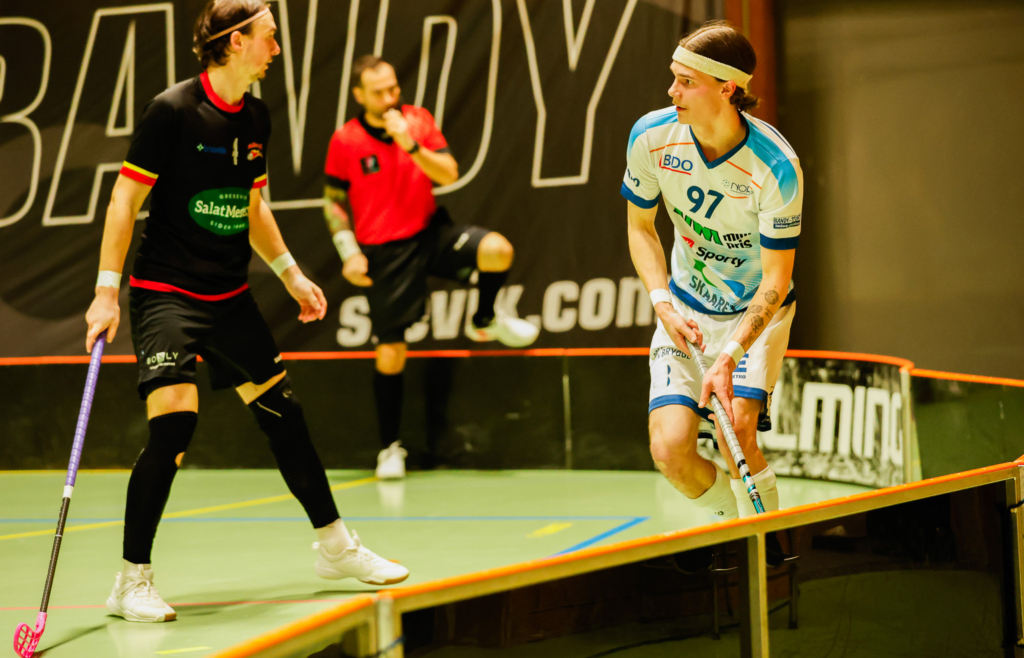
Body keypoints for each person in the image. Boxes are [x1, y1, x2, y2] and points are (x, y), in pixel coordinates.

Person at [84, 0, 407, 623]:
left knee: (284, 415)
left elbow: (252, 204)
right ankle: (131, 580)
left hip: (229, 295)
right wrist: (105, 290)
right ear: (236, 42)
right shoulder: (171, 111)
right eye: (269, 37)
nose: (276, 49)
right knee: (174, 426)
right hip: (167, 293)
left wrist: (292, 274)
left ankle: (336, 546)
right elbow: (124, 199)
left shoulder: (256, 116)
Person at [622, 22, 801, 547]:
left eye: (686, 82)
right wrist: (663, 304)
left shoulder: (776, 167)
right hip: (685, 306)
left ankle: (770, 553)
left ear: (727, 89)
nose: (671, 91)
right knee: (670, 451)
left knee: (735, 429)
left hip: (753, 312)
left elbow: (776, 278)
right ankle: (735, 532)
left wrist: (730, 355)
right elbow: (640, 228)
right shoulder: (651, 137)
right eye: (673, 77)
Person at [322, 55, 539, 479]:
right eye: (379, 91)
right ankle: (390, 448)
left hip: (429, 232)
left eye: (393, 87)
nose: (389, 97)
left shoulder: (417, 121)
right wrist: (348, 251)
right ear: (359, 95)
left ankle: (484, 319)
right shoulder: (345, 140)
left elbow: (449, 173)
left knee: (497, 250)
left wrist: (409, 145)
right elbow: (333, 201)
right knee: (390, 352)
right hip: (384, 251)